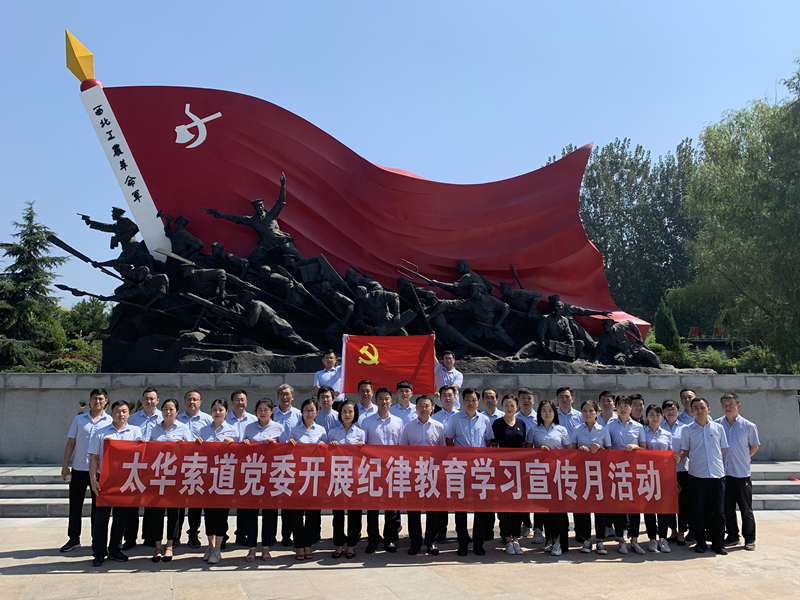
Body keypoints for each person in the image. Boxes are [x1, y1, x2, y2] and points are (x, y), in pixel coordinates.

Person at [88, 400, 142, 566]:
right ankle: (99, 552)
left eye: (124, 411)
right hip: (104, 479)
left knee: (121, 518)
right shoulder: (101, 432)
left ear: (129, 414)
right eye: (117, 411)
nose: (121, 414)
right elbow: (94, 458)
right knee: (101, 518)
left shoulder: (135, 431)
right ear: (111, 414)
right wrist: (93, 479)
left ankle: (115, 550)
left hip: (125, 479)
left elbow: (141, 453)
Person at [60, 388, 111, 553]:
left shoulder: (110, 421)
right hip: (79, 468)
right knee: (75, 506)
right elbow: (71, 443)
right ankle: (73, 539)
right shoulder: (79, 419)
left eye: (101, 399)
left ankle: (97, 541)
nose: (98, 402)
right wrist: (65, 465)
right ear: (89, 401)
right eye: (95, 398)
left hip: (99, 471)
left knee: (98, 508)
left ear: (106, 401)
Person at [676, 397, 729, 555]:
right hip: (697, 475)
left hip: (717, 475)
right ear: (691, 411)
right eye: (696, 408)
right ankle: (700, 542)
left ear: (709, 409)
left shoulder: (718, 428)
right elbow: (686, 451)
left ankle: (718, 542)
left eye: (702, 407)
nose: (699, 411)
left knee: (719, 511)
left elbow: (723, 449)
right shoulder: (687, 430)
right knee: (697, 511)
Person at [446, 388, 493, 556]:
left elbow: (488, 441)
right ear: (462, 401)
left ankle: (478, 543)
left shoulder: (485, 419)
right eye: (467, 400)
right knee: (461, 508)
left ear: (478, 402)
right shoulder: (455, 418)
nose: (470, 403)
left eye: (473, 400)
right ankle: (463, 542)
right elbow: (449, 440)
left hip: (480, 469)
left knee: (480, 508)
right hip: (461, 469)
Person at [399, 395, 446, 555]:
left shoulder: (439, 427)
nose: (424, 409)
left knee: (433, 511)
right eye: (421, 406)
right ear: (416, 408)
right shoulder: (409, 427)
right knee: (413, 511)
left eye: (427, 406)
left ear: (432, 408)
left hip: (433, 475)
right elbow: (403, 451)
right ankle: (415, 543)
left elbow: (443, 451)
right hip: (414, 475)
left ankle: (431, 542)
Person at [146, 398, 191, 563]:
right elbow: (147, 450)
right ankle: (158, 546)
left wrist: (184, 445)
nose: (168, 412)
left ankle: (170, 545)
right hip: (158, 477)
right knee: (157, 512)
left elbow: (192, 451)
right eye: (165, 409)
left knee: (174, 512)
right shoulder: (154, 429)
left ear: (177, 412)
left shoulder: (183, 428)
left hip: (175, 477)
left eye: (171, 409)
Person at [361, 387, 405, 553]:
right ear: (376, 401)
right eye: (380, 399)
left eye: (387, 399)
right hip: (373, 470)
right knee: (373, 507)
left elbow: (402, 447)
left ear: (391, 401)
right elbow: (363, 446)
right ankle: (373, 539)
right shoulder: (367, 422)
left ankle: (390, 538)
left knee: (391, 507)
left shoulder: (398, 422)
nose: (384, 402)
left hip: (392, 470)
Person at [241, 398, 285, 561]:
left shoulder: (278, 428)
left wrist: (275, 445)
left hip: (271, 476)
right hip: (252, 475)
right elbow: (241, 448)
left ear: (271, 411)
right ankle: (252, 547)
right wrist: (245, 443)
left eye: (266, 409)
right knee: (251, 513)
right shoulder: (249, 427)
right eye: (260, 409)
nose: (263, 412)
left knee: (269, 513)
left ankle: (266, 547)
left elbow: (286, 451)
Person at [196, 399, 238, 564]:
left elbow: (241, 452)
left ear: (226, 412)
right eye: (214, 409)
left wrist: (233, 444)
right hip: (206, 477)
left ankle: (218, 548)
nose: (217, 412)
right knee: (208, 514)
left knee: (221, 514)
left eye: (221, 409)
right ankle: (210, 545)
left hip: (224, 477)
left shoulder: (233, 431)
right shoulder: (203, 430)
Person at [716, 393, 760, 551]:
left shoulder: (748, 426)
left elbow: (754, 446)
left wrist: (744, 458)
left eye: (731, 405)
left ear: (738, 406)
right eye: (724, 405)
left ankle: (749, 538)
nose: (727, 408)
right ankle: (732, 535)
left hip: (741, 474)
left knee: (746, 509)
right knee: (727, 509)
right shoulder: (717, 425)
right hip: (723, 474)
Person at [528, 399, 571, 556]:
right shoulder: (533, 430)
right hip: (540, 475)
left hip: (557, 474)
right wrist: (538, 452)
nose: (547, 413)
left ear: (555, 413)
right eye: (544, 410)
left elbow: (568, 452)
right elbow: (527, 451)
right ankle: (550, 540)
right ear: (539, 413)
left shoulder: (561, 430)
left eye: (550, 411)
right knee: (545, 511)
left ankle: (559, 542)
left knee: (559, 510)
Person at [287, 398, 328, 559]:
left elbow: (327, 454)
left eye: (312, 410)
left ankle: (308, 545)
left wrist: (324, 447)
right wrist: (289, 445)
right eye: (306, 410)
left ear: (317, 412)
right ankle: (298, 546)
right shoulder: (294, 431)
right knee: (296, 513)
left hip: (315, 478)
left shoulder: (322, 430)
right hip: (298, 477)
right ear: (301, 413)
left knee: (313, 514)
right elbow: (289, 453)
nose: (309, 413)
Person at [606, 395, 647, 555]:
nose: (623, 409)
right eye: (620, 406)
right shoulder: (610, 426)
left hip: (633, 471)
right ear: (616, 407)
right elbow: (607, 448)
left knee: (634, 507)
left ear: (631, 407)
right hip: (616, 472)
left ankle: (634, 540)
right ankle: (621, 540)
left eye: (626, 406)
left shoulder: (638, 427)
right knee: (619, 507)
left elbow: (644, 449)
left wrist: (635, 447)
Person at [570, 400, 612, 554]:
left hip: (599, 474)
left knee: (600, 508)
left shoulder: (603, 430)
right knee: (584, 508)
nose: (587, 414)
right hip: (582, 474)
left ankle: (600, 540)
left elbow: (610, 452)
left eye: (591, 411)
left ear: (597, 413)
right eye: (584, 411)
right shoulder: (577, 430)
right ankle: (587, 539)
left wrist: (600, 449)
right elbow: (571, 452)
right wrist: (579, 451)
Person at [328, 399, 366, 559]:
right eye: (344, 411)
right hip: (337, 478)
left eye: (350, 411)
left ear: (355, 414)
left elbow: (366, 456)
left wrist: (362, 448)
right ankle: (338, 544)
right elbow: (326, 455)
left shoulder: (361, 433)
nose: (347, 414)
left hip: (355, 478)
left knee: (354, 513)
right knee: (337, 514)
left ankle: (351, 545)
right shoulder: (332, 433)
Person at [491, 393, 526, 555]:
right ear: (502, 406)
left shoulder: (521, 423)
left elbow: (525, 446)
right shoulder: (497, 424)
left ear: (516, 407)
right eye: (506, 405)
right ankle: (506, 538)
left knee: (518, 505)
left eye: (512, 405)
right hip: (502, 469)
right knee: (504, 505)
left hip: (518, 470)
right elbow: (493, 446)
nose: (509, 408)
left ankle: (516, 538)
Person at [176, 389, 212, 549]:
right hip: (179, 466)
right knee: (178, 503)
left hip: (199, 467)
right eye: (189, 399)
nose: (192, 402)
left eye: (195, 399)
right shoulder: (177, 419)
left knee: (195, 504)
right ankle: (175, 536)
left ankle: (193, 534)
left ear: (200, 402)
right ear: (184, 402)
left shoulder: (207, 420)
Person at [226, 389, 258, 547]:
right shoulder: (225, 419)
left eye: (242, 400)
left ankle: (241, 534)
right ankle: (222, 535)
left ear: (246, 402)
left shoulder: (253, 420)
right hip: (227, 465)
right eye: (237, 400)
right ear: (232, 402)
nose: (240, 402)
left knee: (244, 502)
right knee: (224, 501)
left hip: (247, 465)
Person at [642, 404, 674, 553]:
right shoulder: (642, 433)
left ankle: (663, 538)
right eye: (652, 415)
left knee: (663, 508)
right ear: (647, 416)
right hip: (647, 475)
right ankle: (652, 539)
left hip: (663, 476)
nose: (655, 418)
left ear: (662, 417)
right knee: (649, 508)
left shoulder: (667, 434)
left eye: (658, 415)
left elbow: (670, 453)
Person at [272, 383, 301, 546]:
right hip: (273, 461)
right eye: (282, 394)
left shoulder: (298, 414)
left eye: (287, 394)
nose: (285, 397)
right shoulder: (271, 413)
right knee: (273, 500)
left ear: (293, 397)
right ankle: (271, 536)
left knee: (289, 500)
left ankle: (287, 535)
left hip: (293, 462)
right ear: (278, 397)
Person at [661, 399, 690, 545]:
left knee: (683, 503)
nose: (670, 412)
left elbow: (687, 448)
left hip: (681, 470)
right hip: (664, 472)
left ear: (678, 411)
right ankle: (672, 530)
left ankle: (681, 532)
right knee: (669, 503)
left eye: (673, 409)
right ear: (663, 412)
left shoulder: (685, 428)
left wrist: (680, 456)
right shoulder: (659, 427)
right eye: (667, 410)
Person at [515, 388, 539, 541]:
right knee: (522, 494)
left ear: (533, 400)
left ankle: (538, 527)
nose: (526, 401)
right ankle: (525, 523)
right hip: (520, 462)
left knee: (538, 493)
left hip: (538, 462)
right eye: (523, 398)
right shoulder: (514, 418)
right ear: (518, 400)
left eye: (529, 398)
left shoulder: (539, 417)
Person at [480, 387, 501, 542]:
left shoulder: (504, 416)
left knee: (502, 498)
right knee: (486, 498)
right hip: (483, 464)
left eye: (492, 397)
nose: (489, 400)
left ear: (497, 400)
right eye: (486, 397)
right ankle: (487, 530)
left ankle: (506, 531)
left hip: (502, 464)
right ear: (482, 400)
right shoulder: (479, 418)